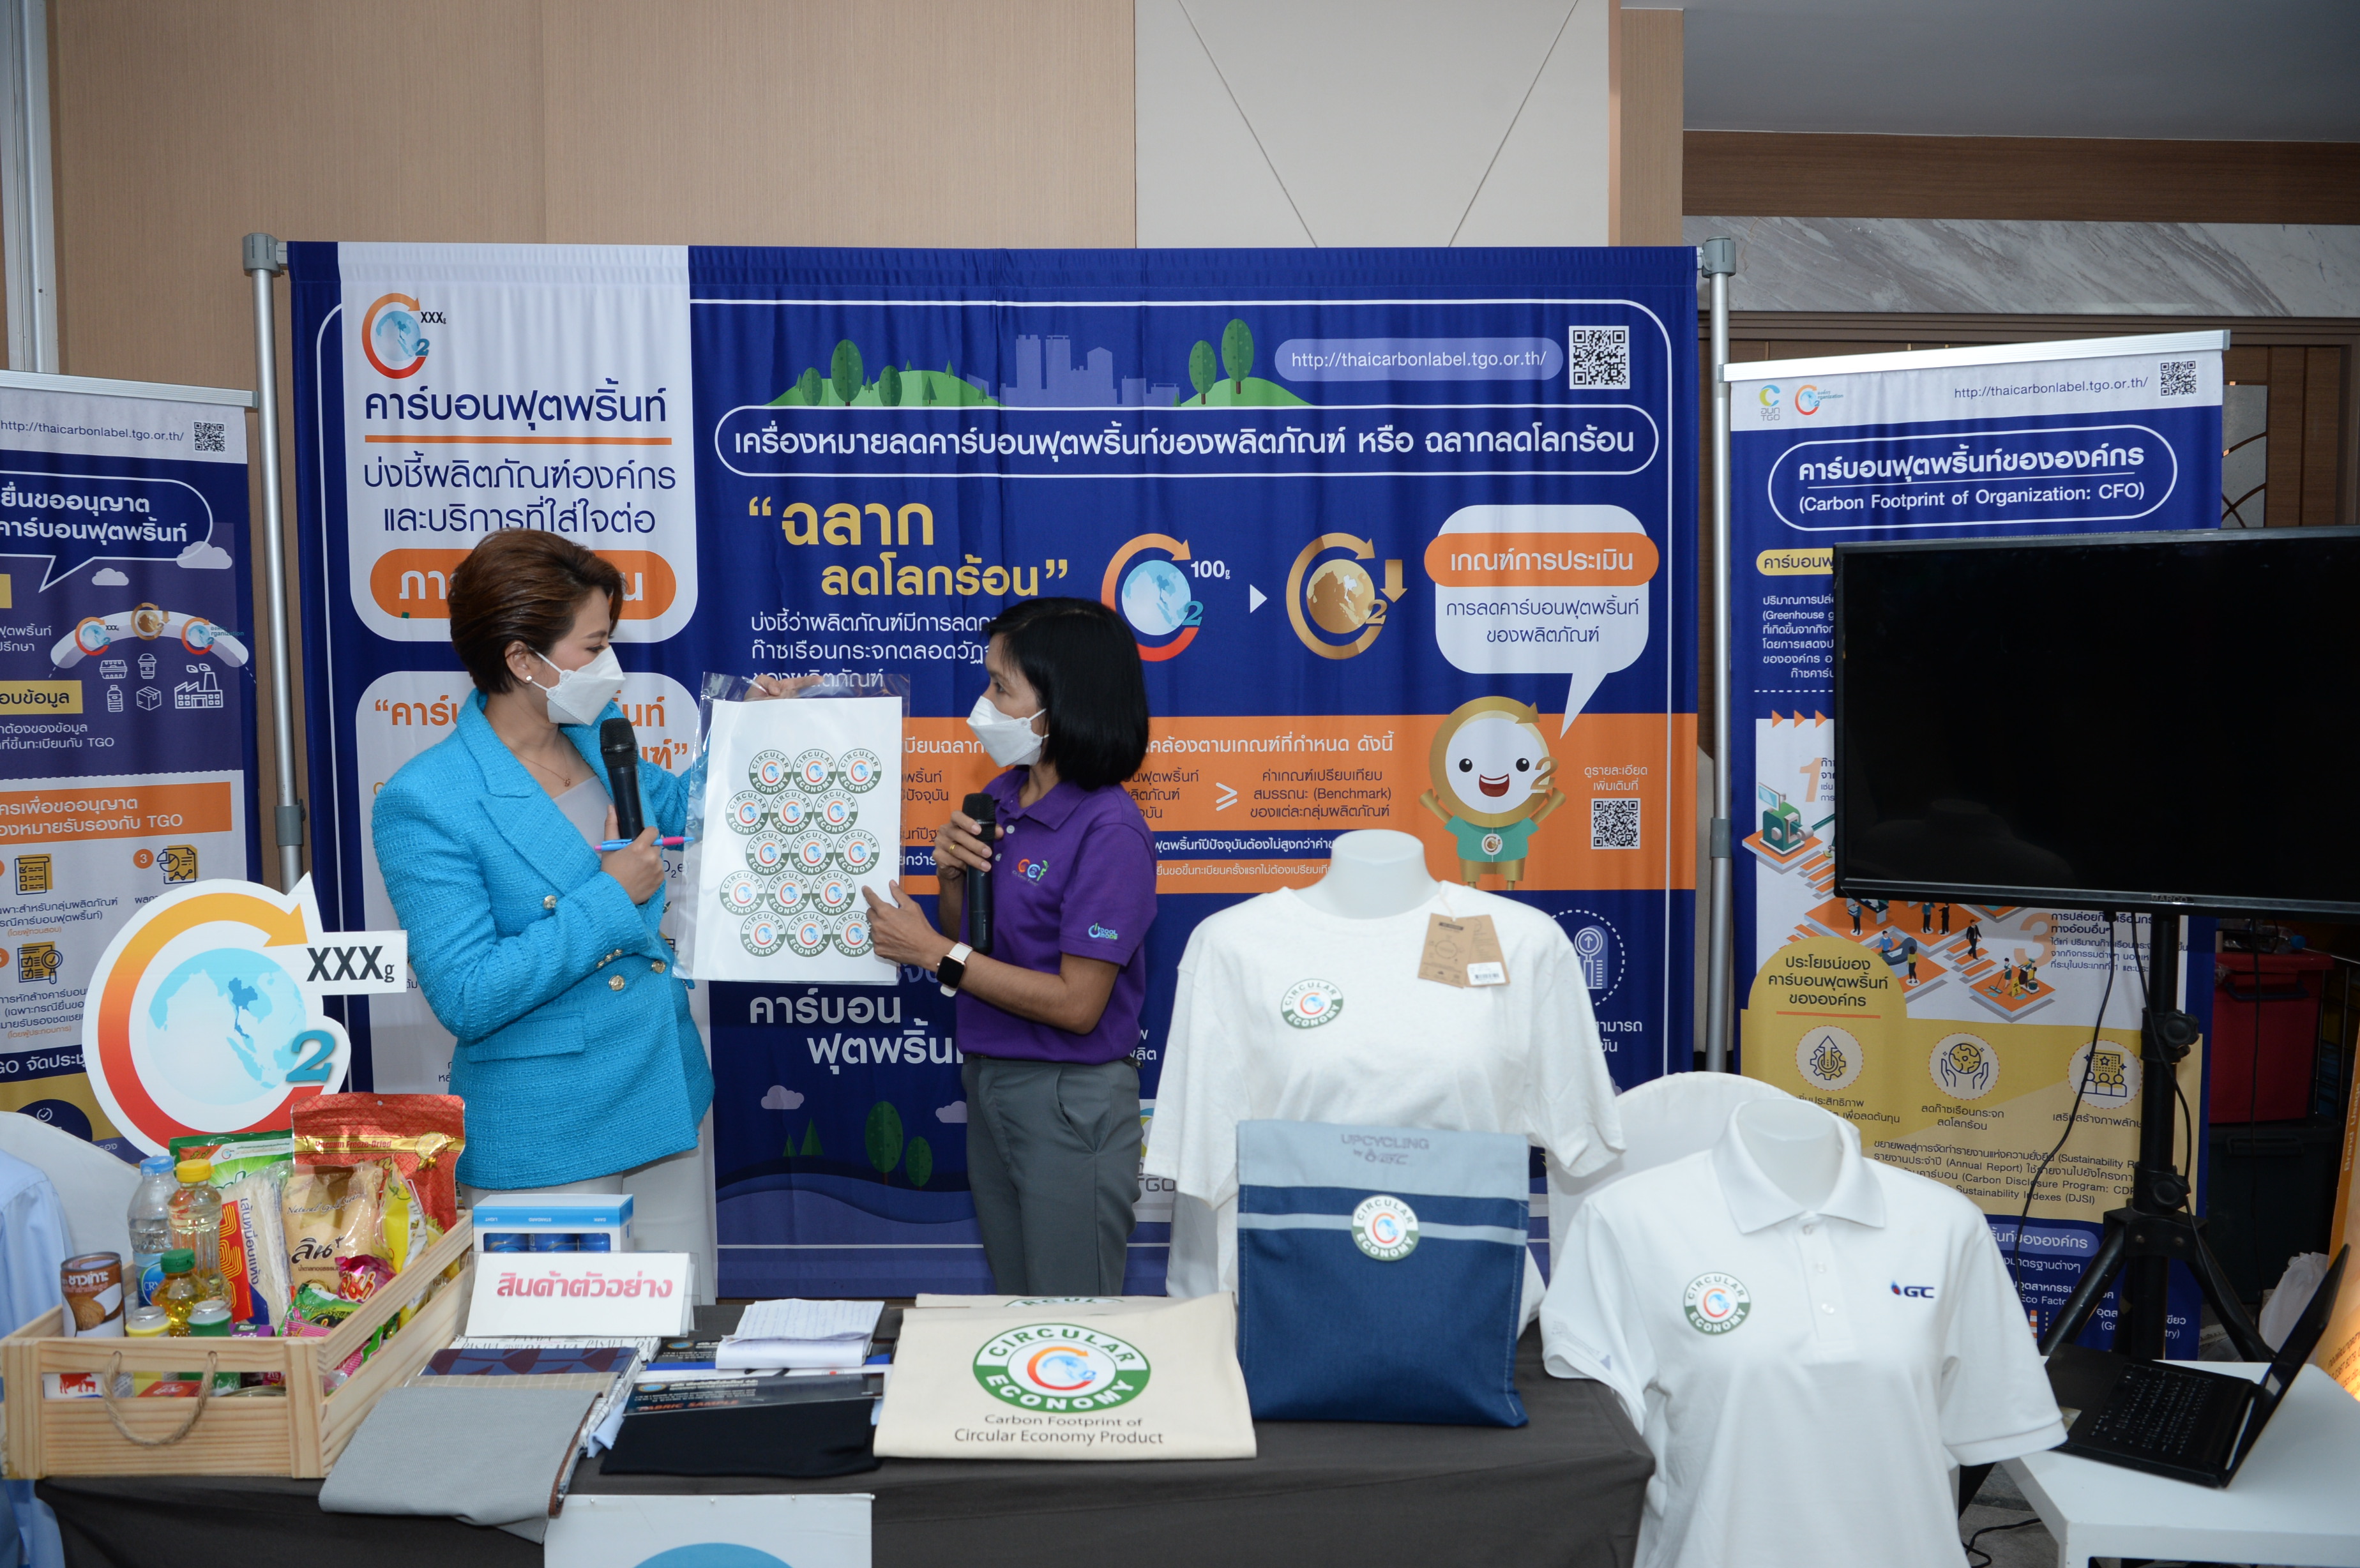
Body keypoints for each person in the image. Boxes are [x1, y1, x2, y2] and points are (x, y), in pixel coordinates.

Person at [372, 531, 798, 1276]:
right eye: (594, 646)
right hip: (547, 1126)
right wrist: (610, 897)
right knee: (563, 1339)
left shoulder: (600, 738)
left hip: (663, 1092)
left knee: (680, 1320)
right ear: (521, 659)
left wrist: (755, 734)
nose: (612, 666)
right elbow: (467, 993)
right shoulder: (427, 798)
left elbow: (694, 813)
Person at [865, 598, 1157, 1295]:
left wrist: (933, 953)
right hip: (990, 1080)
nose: (984, 703)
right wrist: (950, 877)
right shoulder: (1000, 797)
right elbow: (977, 941)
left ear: (1061, 705)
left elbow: (1078, 1004)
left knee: (1072, 1314)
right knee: (1021, 1310)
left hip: (1068, 1098)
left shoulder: (1110, 829)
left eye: (1001, 686)